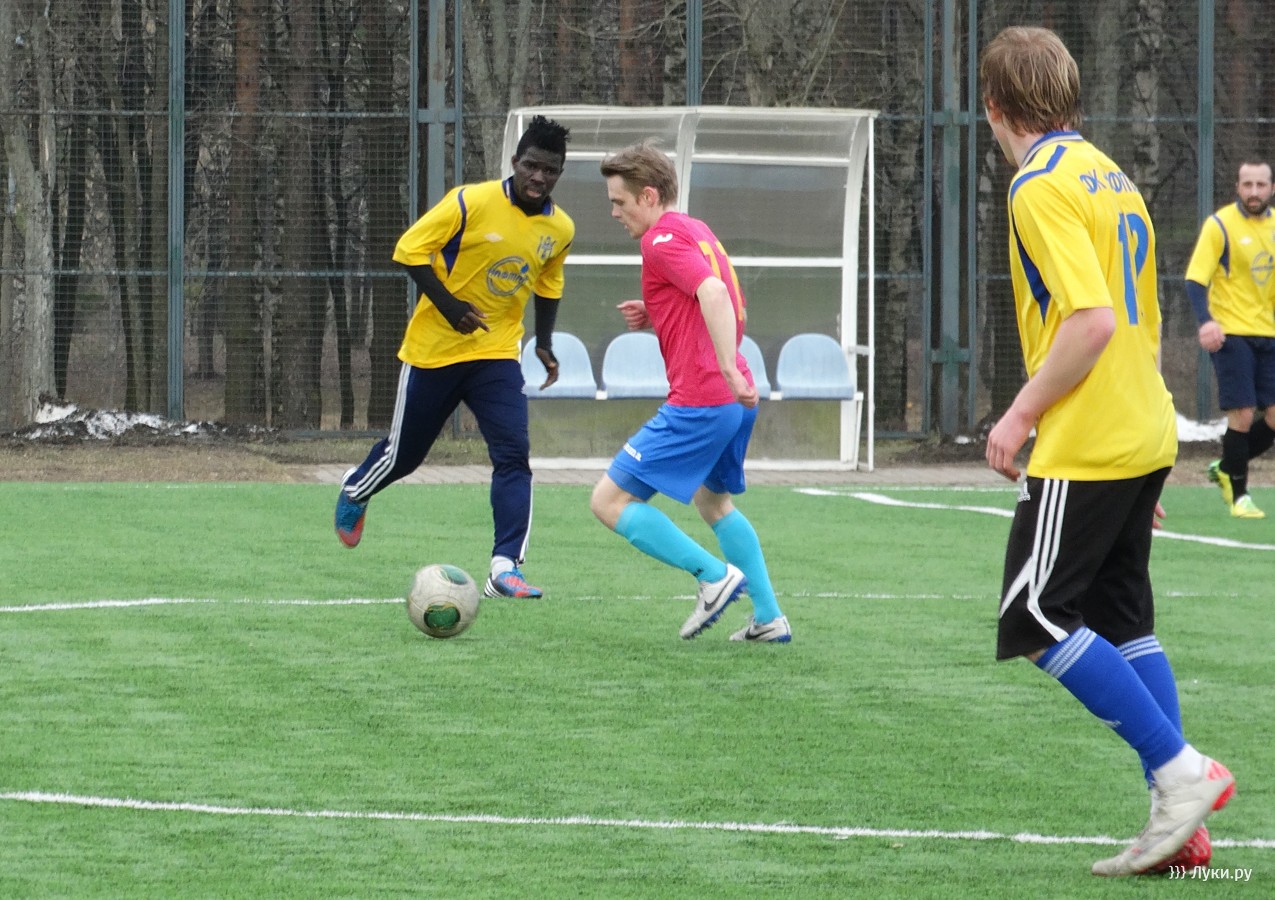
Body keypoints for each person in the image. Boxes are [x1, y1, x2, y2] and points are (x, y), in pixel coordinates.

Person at [980, 26, 1234, 877]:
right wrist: (1144, 443)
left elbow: (1090, 323)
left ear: (994, 106)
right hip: (1138, 425)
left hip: (1088, 434)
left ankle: (1180, 772)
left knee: (1037, 617)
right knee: (1122, 619)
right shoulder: (1110, 174)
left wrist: (1018, 415)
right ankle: (1181, 829)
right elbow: (1138, 320)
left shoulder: (1036, 183)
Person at [334, 115, 574, 599]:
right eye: (531, 166)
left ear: (559, 173)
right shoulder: (470, 201)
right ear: (514, 162)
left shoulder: (560, 228)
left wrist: (544, 342)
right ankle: (357, 488)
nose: (538, 177)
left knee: (513, 455)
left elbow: (549, 283)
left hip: (496, 354)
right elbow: (408, 250)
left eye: (550, 170)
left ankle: (505, 567)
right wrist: (450, 307)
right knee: (404, 458)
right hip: (435, 352)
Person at [589, 140, 790, 643]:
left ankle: (713, 577)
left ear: (649, 195)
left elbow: (715, 294)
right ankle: (768, 618)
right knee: (713, 504)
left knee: (608, 501)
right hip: (733, 399)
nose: (614, 212)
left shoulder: (657, 241)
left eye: (619, 201)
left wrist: (724, 370)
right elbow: (723, 297)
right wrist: (658, 312)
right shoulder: (696, 230)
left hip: (704, 397)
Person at [1185, 160, 1275, 519]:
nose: (1254, 192)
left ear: (1271, 188)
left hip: (1268, 333)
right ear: (1237, 187)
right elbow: (1195, 280)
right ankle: (1240, 496)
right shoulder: (1219, 225)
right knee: (1242, 412)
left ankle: (1226, 466)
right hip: (1231, 332)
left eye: (1260, 185)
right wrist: (1206, 322)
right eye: (1247, 184)